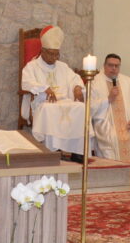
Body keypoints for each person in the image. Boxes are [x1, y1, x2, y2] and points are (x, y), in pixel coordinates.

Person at [20, 25, 86, 156]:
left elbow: (74, 79)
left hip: (64, 101)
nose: (54, 58)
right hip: (43, 103)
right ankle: (53, 150)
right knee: (50, 110)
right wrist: (45, 89)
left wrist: (77, 88)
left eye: (57, 54)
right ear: (43, 51)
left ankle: (77, 152)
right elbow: (26, 83)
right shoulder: (32, 66)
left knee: (81, 107)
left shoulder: (63, 66)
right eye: (51, 54)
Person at [92, 54, 130, 177]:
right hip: (105, 121)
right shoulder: (95, 81)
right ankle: (114, 172)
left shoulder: (127, 81)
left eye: (116, 66)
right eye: (110, 65)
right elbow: (91, 107)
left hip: (127, 122)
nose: (113, 68)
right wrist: (108, 99)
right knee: (112, 136)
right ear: (104, 65)